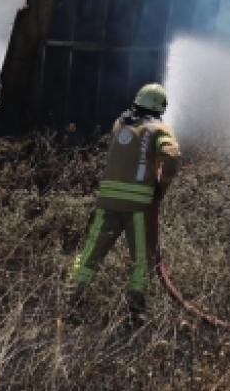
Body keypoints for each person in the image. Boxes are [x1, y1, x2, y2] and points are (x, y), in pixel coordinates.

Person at [68, 82, 181, 323]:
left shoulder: (119, 124)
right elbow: (171, 156)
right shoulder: (159, 129)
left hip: (107, 202)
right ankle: (136, 311)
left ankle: (72, 302)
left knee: (90, 254)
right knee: (141, 258)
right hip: (138, 206)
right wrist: (162, 185)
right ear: (161, 107)